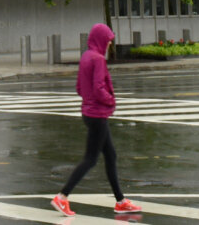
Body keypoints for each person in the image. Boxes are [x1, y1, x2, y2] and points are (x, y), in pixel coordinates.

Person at [53, 23, 137, 216]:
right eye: (108, 41)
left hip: (89, 113)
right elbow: (99, 88)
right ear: (101, 40)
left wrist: (91, 101)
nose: (109, 45)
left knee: (111, 155)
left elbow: (80, 88)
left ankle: (120, 201)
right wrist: (111, 100)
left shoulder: (86, 57)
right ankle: (62, 196)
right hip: (98, 114)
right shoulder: (98, 59)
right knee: (90, 159)